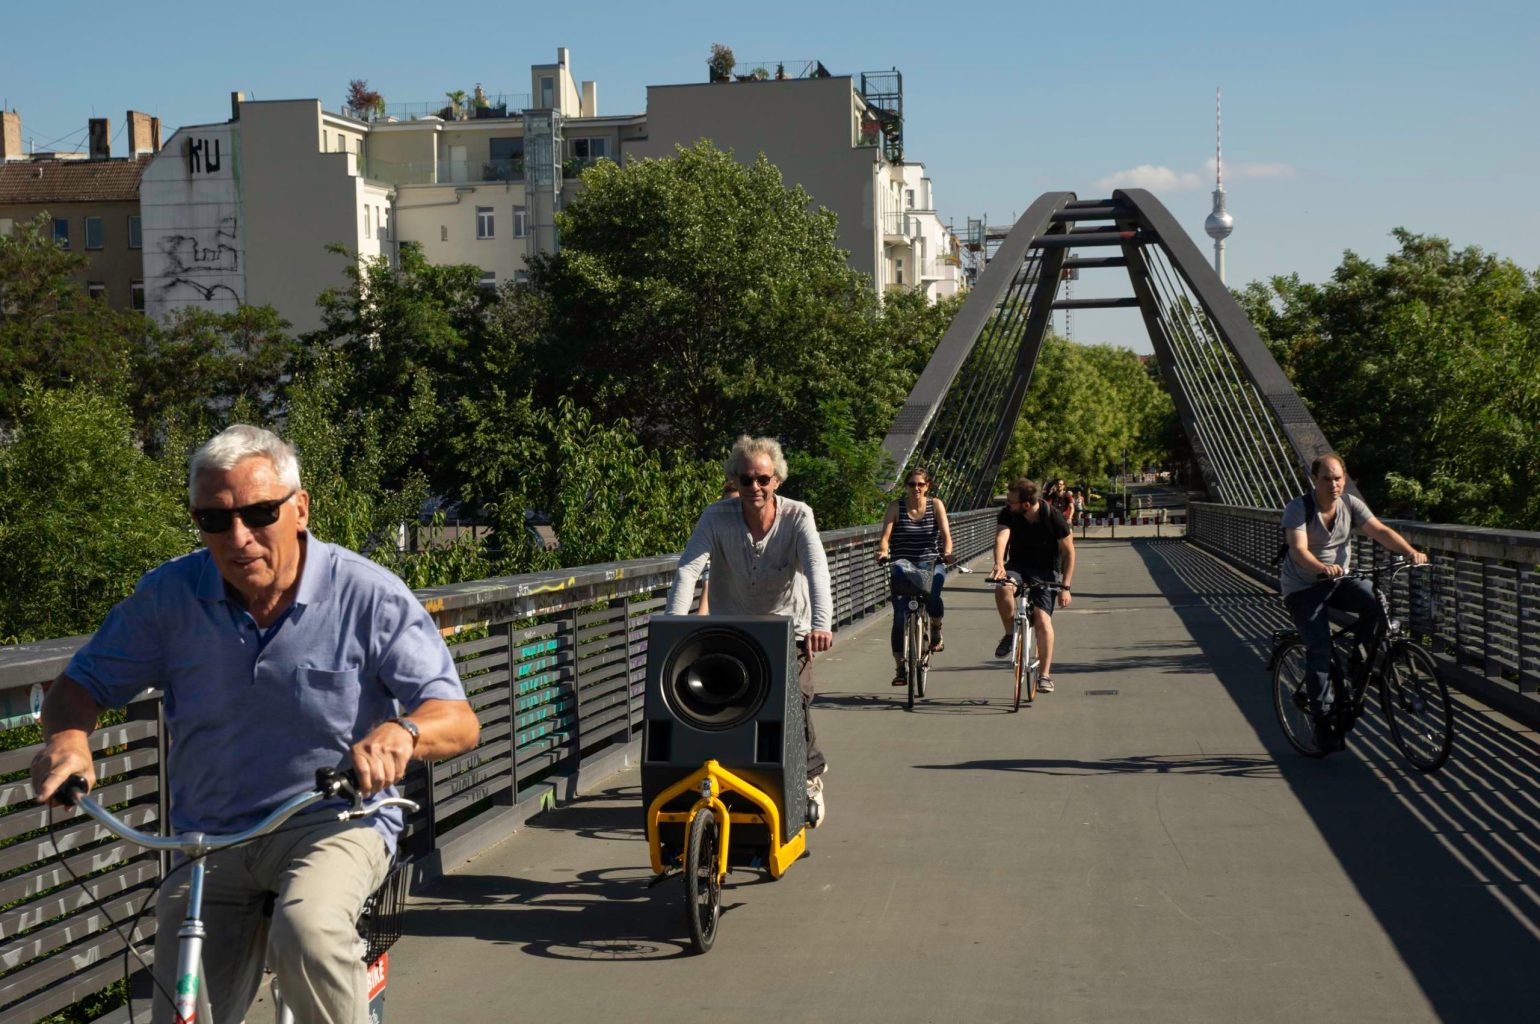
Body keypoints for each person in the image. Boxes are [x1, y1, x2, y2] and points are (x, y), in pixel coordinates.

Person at [30, 424, 481, 1024]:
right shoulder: (171, 596)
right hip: (209, 836)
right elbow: (79, 687)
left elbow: (458, 718)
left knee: (308, 928)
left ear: (299, 509)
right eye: (214, 520)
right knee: (182, 1002)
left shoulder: (369, 596)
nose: (238, 537)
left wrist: (405, 732)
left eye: (259, 513)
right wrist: (68, 741)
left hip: (331, 822)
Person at [666, 435, 833, 826]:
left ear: (777, 480)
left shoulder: (798, 516)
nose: (754, 488)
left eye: (762, 479)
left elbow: (817, 569)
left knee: (796, 697)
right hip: (733, 627)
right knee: (718, 699)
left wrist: (822, 625)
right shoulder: (716, 516)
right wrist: (675, 623)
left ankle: (809, 776)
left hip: (788, 627)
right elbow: (689, 569)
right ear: (735, 481)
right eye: (746, 480)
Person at [1280, 453, 1427, 747]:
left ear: (1344, 479)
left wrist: (1410, 552)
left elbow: (1380, 531)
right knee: (1320, 650)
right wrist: (1321, 568)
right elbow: (1298, 549)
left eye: (1338, 478)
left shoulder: (1350, 503)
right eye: (1326, 479)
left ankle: (1359, 661)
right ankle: (1322, 723)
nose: (1333, 484)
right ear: (1314, 480)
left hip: (1340, 581)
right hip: (1303, 587)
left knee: (1376, 601)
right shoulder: (1299, 508)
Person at [987, 479, 1076, 693]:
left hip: (1046, 571)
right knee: (1003, 587)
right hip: (1017, 566)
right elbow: (1001, 538)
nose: (1008, 505)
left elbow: (1069, 552)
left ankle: (1044, 675)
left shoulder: (1053, 516)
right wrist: (999, 564)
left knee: (1043, 620)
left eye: (1012, 502)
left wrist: (1065, 587)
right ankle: (1010, 634)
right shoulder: (1009, 514)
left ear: (1026, 504)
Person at [875, 467, 953, 686]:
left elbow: (946, 536)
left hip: (931, 563)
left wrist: (947, 553)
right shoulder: (895, 507)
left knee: (932, 595)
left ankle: (936, 628)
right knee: (900, 614)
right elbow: (885, 537)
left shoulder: (935, 505)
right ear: (906, 486)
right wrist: (882, 552)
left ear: (927, 486)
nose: (916, 488)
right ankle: (900, 667)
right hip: (903, 564)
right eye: (912, 484)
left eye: (921, 484)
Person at [694, 477, 740, 616]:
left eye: (737, 506)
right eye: (727, 505)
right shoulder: (713, 538)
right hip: (725, 619)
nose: (732, 512)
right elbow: (708, 582)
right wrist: (699, 620)